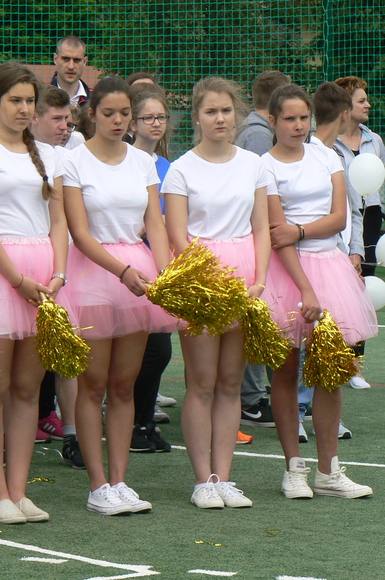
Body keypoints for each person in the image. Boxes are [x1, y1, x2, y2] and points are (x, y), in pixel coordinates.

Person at [62, 76, 176, 515]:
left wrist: (164, 274)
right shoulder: (73, 161)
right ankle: (97, 486)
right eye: (108, 113)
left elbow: (155, 224)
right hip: (92, 274)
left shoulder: (143, 162)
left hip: (136, 275)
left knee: (125, 386)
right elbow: (79, 233)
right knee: (93, 385)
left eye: (125, 113)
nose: (118, 121)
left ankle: (120, 480)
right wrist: (123, 271)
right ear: (91, 113)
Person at [0, 61, 67, 524]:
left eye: (29, 101)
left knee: (28, 389)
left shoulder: (51, 157)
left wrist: (58, 274)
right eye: (15, 100)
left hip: (43, 278)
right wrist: (16, 279)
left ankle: (19, 492)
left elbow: (59, 222)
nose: (24, 109)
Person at [261, 84, 375, 500]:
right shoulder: (264, 166)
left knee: (331, 371)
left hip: (330, 266)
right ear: (272, 120)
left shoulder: (327, 156)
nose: (298, 125)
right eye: (289, 118)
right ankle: (294, 469)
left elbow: (339, 218)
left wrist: (301, 230)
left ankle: (329, 470)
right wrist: (305, 287)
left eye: (303, 118)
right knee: (285, 370)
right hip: (286, 273)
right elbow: (277, 235)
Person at [163, 77, 271, 508]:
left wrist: (259, 279)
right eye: (211, 111)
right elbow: (177, 234)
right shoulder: (181, 169)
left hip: (245, 281)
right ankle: (202, 481)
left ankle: (224, 477)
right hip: (202, 282)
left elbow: (261, 227)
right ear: (197, 117)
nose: (220, 118)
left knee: (230, 383)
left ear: (236, 114)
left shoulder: (253, 164)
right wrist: (211, 282)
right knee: (202, 383)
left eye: (226, 110)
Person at [30, 85, 84, 467]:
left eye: (68, 119)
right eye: (57, 119)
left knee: (67, 355)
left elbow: (66, 219)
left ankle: (72, 434)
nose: (65, 126)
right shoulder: (11, 154)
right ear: (35, 119)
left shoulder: (71, 156)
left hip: (66, 265)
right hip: (28, 260)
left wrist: (61, 271)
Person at [236, 70, 292, 431]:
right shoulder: (257, 136)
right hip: (253, 239)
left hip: (253, 236)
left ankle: (253, 394)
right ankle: (252, 398)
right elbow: (262, 191)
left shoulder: (251, 130)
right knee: (257, 317)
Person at [334, 76, 385, 390]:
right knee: (334, 288)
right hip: (339, 217)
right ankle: (328, 359)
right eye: (361, 100)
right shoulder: (327, 143)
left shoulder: (374, 140)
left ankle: (354, 366)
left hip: (369, 217)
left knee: (361, 287)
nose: (368, 104)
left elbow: (377, 177)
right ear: (345, 106)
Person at [128, 84, 174, 454]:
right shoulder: (124, 160)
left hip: (157, 263)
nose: (156, 123)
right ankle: (130, 422)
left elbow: (173, 214)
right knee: (137, 352)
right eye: (148, 117)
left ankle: (143, 420)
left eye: (161, 117)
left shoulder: (168, 167)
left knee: (158, 351)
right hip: (127, 264)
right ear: (133, 123)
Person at [52, 36, 92, 107]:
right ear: (55, 59)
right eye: (66, 59)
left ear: (84, 62)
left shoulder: (96, 98)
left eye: (77, 60)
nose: (71, 66)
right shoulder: (40, 96)